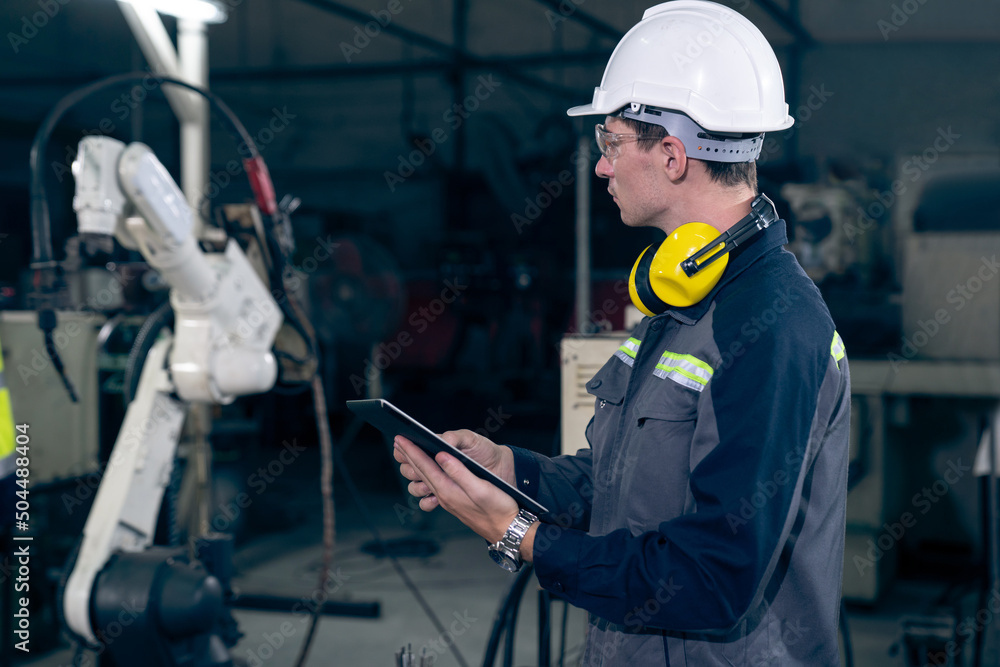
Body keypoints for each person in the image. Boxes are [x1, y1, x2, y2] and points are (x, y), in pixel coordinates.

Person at [393, 1, 851, 664]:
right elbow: (619, 484)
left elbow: (714, 578)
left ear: (671, 154)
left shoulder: (771, 325)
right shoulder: (679, 295)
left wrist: (520, 534)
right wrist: (515, 471)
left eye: (611, 143)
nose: (602, 166)